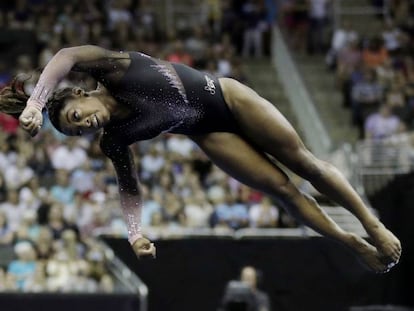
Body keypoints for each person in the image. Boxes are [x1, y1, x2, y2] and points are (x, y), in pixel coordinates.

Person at [0, 45, 401, 273]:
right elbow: (129, 187)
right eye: (79, 132)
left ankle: (372, 223)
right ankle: (352, 244)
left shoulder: (115, 69)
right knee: (283, 192)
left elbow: (67, 55)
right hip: (208, 133)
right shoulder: (115, 138)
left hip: (227, 97)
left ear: (80, 95)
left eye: (76, 118)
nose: (85, 125)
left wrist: (36, 102)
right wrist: (135, 232)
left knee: (305, 164)